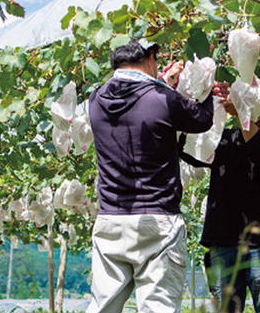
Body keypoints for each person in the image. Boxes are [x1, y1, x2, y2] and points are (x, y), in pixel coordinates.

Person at [87, 39, 214, 313]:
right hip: (157, 221)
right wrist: (206, 88)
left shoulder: (95, 100)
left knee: (103, 307)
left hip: (110, 219)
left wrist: (162, 84)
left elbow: (141, 109)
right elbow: (202, 120)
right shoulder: (163, 99)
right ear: (150, 59)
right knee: (158, 308)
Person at [179, 92, 260, 313]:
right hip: (222, 241)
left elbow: (259, 149)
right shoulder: (221, 141)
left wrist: (240, 111)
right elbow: (186, 148)